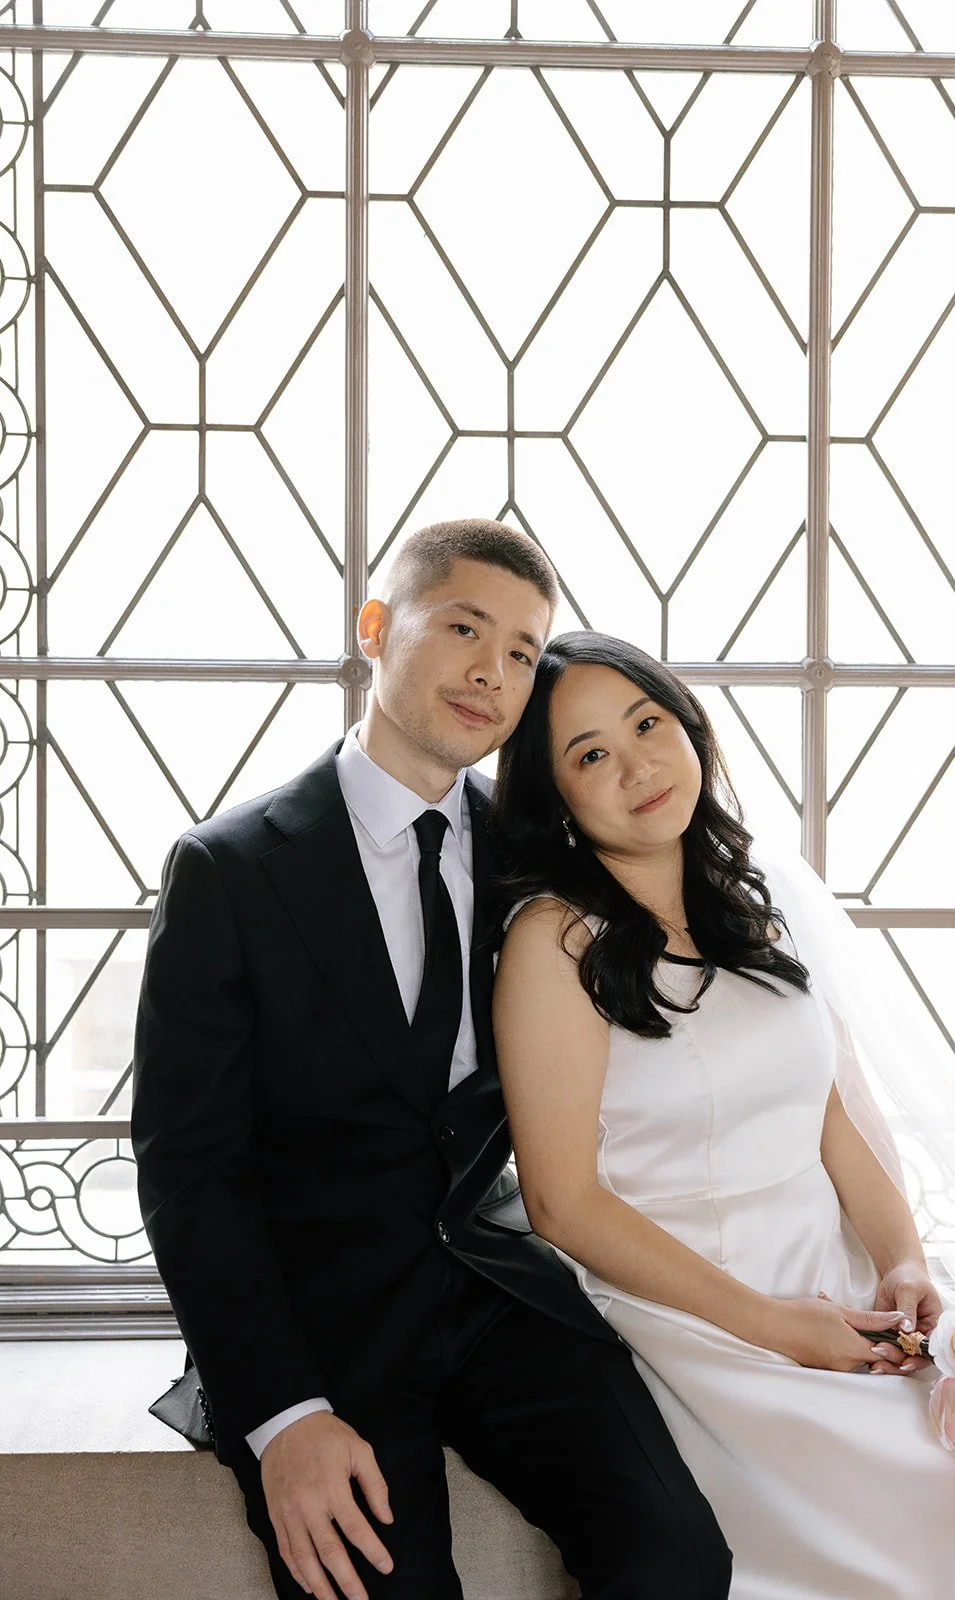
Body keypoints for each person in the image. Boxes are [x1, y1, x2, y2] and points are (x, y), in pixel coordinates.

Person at [131, 522, 731, 1600]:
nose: (492, 671)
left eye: (521, 651)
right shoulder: (228, 869)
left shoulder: (535, 855)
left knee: (675, 1555)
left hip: (500, 1294)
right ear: (375, 627)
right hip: (319, 1324)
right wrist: (283, 1417)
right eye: (463, 628)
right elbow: (189, 1169)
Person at [491, 629, 955, 1600]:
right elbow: (560, 1201)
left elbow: (833, 1107)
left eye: (646, 724)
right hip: (697, 1314)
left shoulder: (752, 896)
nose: (635, 766)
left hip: (834, 1277)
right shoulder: (555, 941)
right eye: (590, 755)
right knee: (923, 1524)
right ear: (555, 797)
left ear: (688, 726)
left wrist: (901, 1261)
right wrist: (772, 1327)